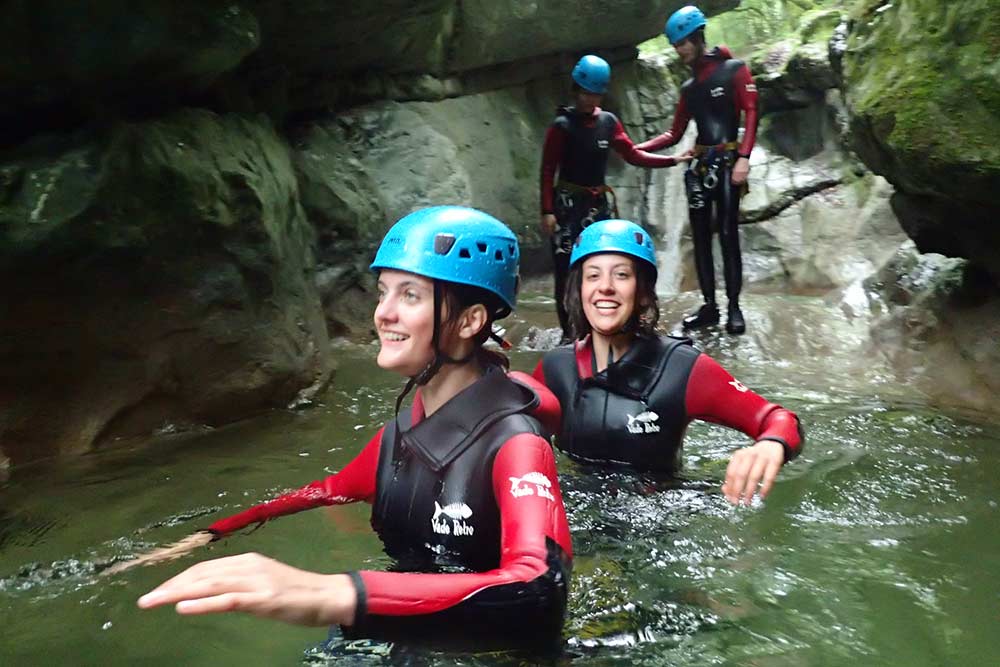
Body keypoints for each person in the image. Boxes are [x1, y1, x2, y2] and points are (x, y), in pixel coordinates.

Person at [138, 206, 573, 648]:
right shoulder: (399, 436)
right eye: (383, 293)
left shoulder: (517, 444)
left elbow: (541, 590)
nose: (382, 313)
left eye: (409, 295)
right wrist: (210, 534)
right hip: (399, 623)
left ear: (470, 320)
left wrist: (337, 593)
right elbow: (325, 491)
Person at [532, 219, 802, 505]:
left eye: (622, 275)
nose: (606, 287)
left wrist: (772, 443)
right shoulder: (554, 369)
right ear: (579, 289)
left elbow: (781, 419)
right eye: (593, 276)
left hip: (660, 520)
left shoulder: (682, 368)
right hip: (576, 512)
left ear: (643, 290)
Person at [541, 54, 690, 343]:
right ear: (576, 90)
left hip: (597, 206)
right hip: (567, 205)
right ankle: (569, 333)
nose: (590, 100)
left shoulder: (608, 123)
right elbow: (548, 170)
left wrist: (673, 159)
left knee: (600, 263)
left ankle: (593, 327)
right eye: (585, 93)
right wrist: (547, 210)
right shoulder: (561, 126)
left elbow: (633, 154)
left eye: (595, 94)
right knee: (566, 269)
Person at [636, 5, 759, 334]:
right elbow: (674, 134)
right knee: (702, 237)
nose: (679, 52)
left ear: (697, 38)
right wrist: (635, 148)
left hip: (729, 159)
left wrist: (744, 157)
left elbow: (751, 113)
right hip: (700, 166)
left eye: (682, 44)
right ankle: (709, 306)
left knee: (729, 235)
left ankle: (734, 307)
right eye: (676, 46)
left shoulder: (734, 70)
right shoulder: (689, 89)